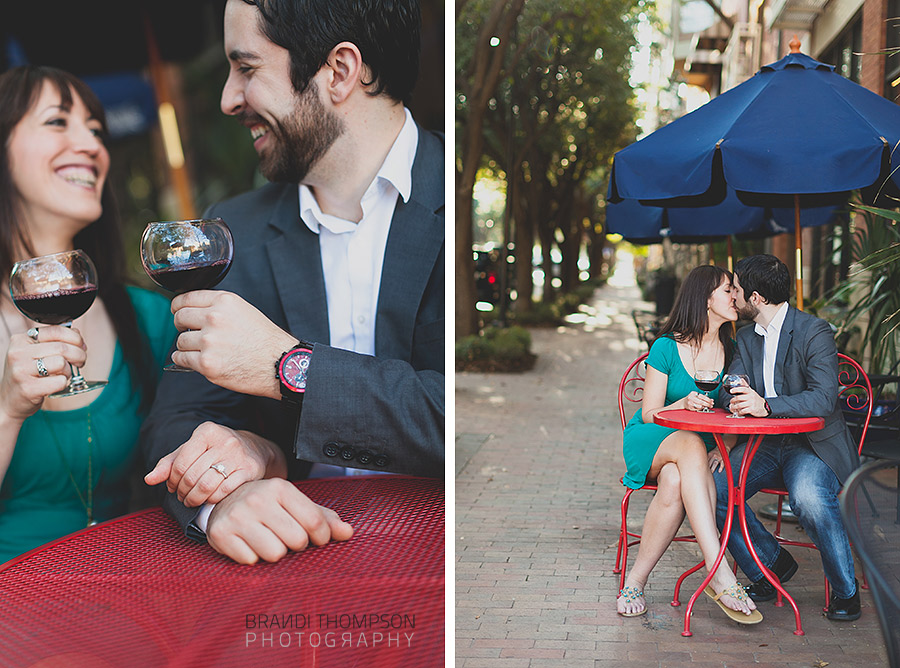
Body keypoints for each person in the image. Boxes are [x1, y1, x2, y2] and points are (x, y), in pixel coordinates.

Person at [141, 0, 444, 565]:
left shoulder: (460, 200)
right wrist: (229, 489)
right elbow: (175, 419)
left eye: (247, 68)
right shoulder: (233, 230)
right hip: (289, 561)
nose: (229, 98)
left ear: (339, 71)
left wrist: (291, 368)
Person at [0, 65, 177, 562]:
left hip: (136, 600)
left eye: (96, 130)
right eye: (58, 122)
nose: (91, 145)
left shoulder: (150, 319)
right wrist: (7, 409)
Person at [713, 254, 861, 621]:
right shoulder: (746, 337)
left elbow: (824, 398)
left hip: (812, 445)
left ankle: (846, 590)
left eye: (738, 290)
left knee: (808, 497)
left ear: (757, 297)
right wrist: (735, 390)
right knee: (708, 490)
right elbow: (728, 387)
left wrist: (765, 404)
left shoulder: (815, 330)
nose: (734, 297)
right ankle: (770, 565)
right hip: (762, 445)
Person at [618, 265, 761, 623]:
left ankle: (634, 581)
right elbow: (650, 413)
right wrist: (680, 404)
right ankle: (720, 572)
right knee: (689, 447)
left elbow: (736, 410)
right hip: (651, 440)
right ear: (705, 298)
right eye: (728, 290)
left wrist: (722, 447)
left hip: (693, 453)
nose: (735, 297)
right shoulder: (667, 346)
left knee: (674, 480)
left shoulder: (734, 349)